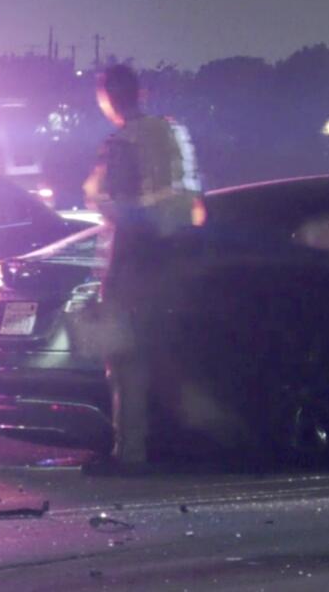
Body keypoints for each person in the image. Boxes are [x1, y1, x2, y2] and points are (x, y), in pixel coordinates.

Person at [83, 64, 204, 473]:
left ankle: (130, 452)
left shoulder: (121, 143)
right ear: (142, 92)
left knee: (125, 362)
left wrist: (112, 278)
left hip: (134, 264)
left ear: (107, 98)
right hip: (179, 261)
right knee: (169, 357)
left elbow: (124, 210)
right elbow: (189, 201)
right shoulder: (172, 134)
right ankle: (183, 443)